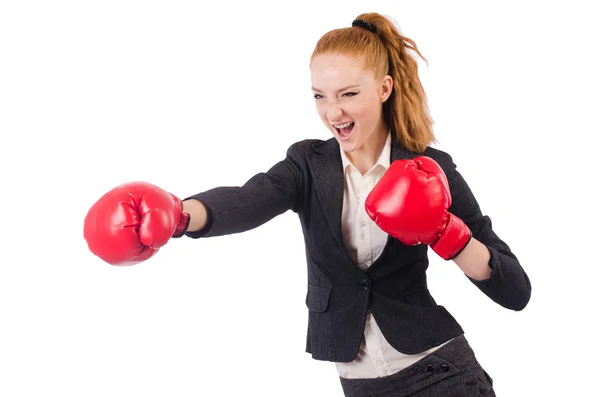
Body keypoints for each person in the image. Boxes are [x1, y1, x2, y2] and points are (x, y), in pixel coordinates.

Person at [83, 12, 531, 396]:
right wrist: (180, 215)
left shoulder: (430, 167)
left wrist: (446, 233)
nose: (332, 112)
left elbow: (516, 291)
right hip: (360, 384)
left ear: (384, 88)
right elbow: (248, 199)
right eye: (320, 96)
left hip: (440, 374)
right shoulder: (307, 164)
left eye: (348, 94)